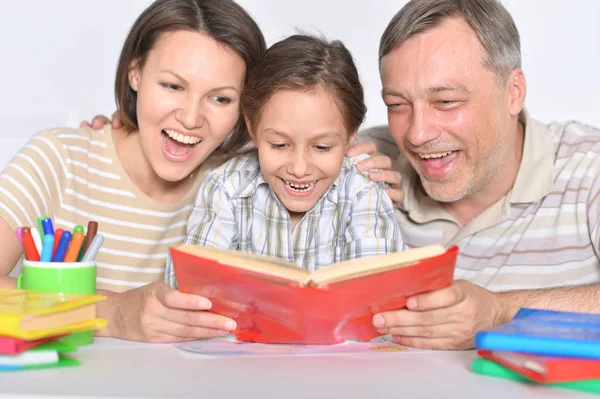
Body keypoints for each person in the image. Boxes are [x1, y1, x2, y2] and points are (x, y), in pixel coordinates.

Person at [1, 0, 401, 343]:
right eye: (172, 86)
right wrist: (112, 312)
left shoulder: (239, 176)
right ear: (135, 73)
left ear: (247, 109)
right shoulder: (59, 159)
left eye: (220, 97)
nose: (191, 117)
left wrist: (359, 164)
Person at [367, 0, 600, 350]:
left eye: (446, 101)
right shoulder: (361, 162)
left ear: (513, 93)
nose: (416, 134)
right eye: (398, 105)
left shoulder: (589, 169)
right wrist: (324, 189)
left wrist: (499, 312)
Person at [165, 35, 403, 289]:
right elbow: (190, 286)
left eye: (322, 147)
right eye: (279, 145)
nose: (299, 169)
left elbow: (376, 293)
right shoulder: (227, 187)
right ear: (252, 128)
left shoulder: (363, 190)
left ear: (351, 135)